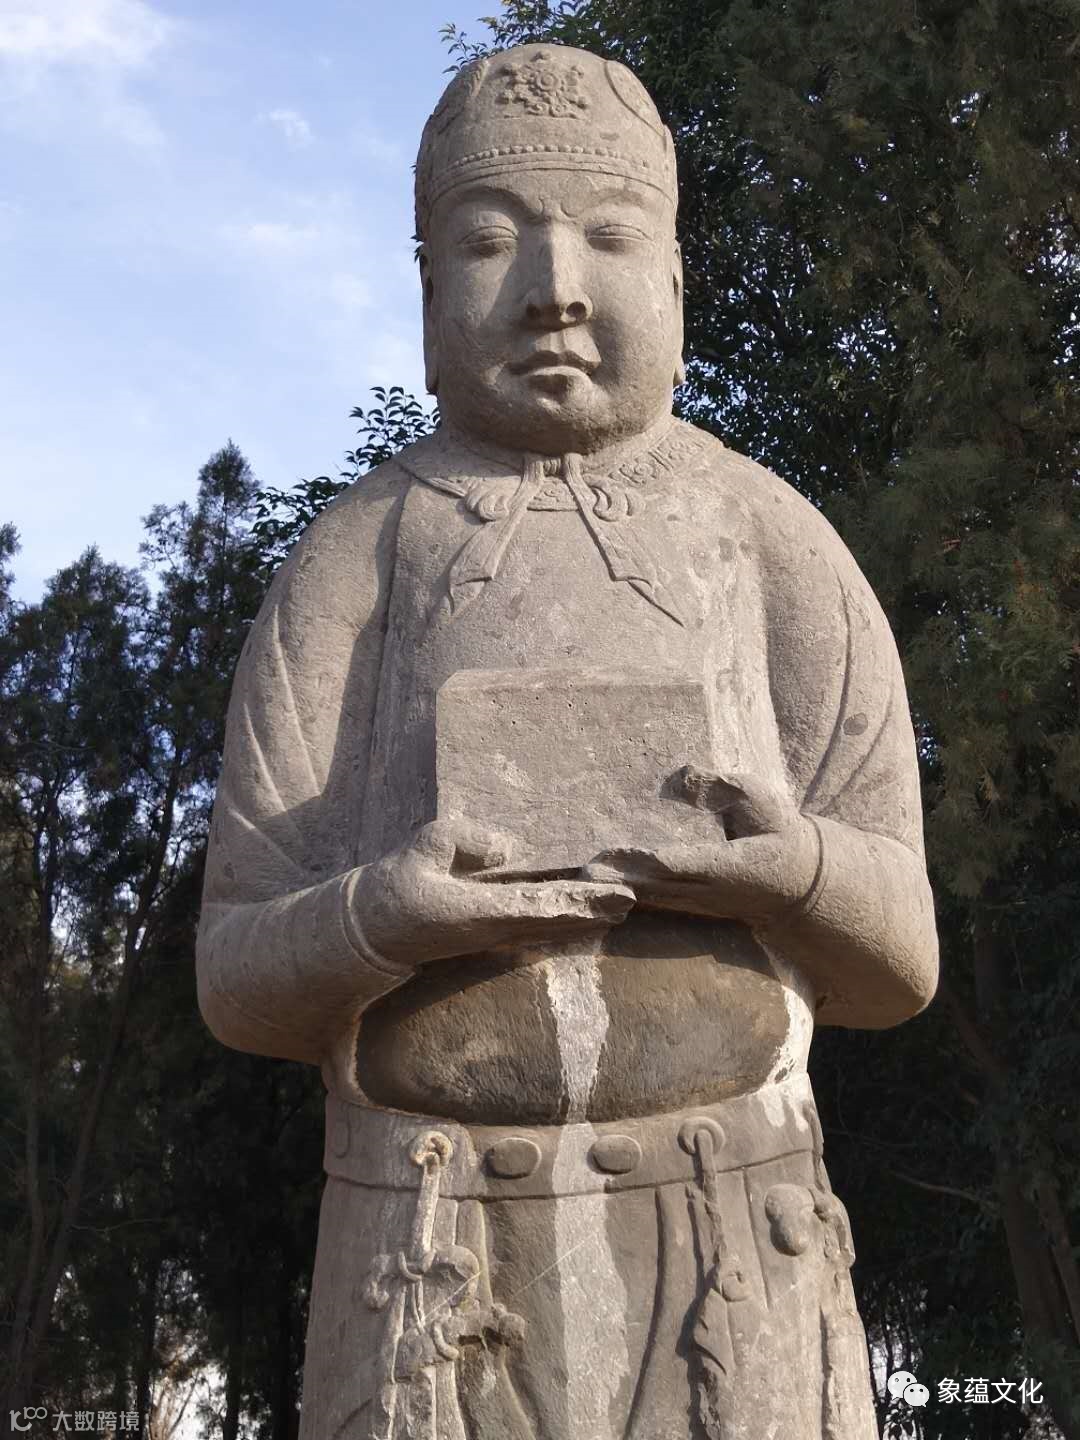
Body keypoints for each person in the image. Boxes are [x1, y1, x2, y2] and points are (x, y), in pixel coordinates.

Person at [197, 43, 938, 1440]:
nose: (555, 288)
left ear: (678, 278)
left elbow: (904, 958)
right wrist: (379, 916)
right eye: (491, 243)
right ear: (429, 294)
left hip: (735, 1227)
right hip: (425, 1243)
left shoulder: (769, 540)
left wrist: (793, 873)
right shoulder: (358, 559)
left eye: (610, 235)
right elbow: (235, 977)